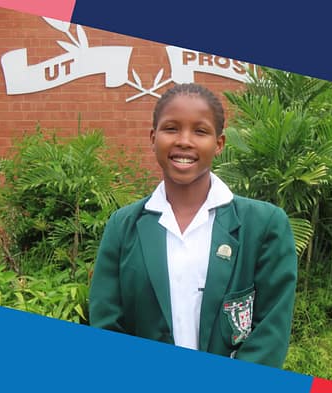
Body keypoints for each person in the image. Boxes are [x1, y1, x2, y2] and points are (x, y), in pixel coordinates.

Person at [89, 83, 297, 368]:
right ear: (153, 138)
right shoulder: (122, 226)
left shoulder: (264, 225)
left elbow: (270, 332)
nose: (184, 141)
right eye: (171, 128)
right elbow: (106, 322)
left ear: (219, 144)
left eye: (200, 131)